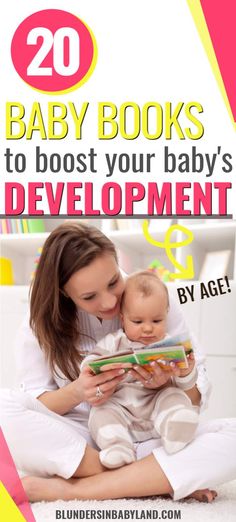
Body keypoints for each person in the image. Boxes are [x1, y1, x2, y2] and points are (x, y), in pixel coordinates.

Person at [0, 222, 235, 503]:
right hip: (85, 442)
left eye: (113, 282)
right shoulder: (39, 323)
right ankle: (148, 479)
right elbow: (35, 403)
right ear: (64, 292)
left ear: (116, 259)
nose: (110, 301)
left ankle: (73, 489)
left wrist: (170, 381)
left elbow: (195, 394)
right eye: (89, 297)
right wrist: (78, 392)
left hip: (153, 432)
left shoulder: (152, 296)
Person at [82, 271, 199, 467]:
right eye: (137, 322)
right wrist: (98, 368)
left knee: (174, 396)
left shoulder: (169, 345)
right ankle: (118, 447)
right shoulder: (114, 341)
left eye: (156, 321)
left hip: (157, 409)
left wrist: (186, 371)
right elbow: (89, 364)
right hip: (122, 411)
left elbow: (186, 384)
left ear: (166, 316)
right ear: (123, 319)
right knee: (100, 412)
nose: (147, 328)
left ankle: (176, 430)